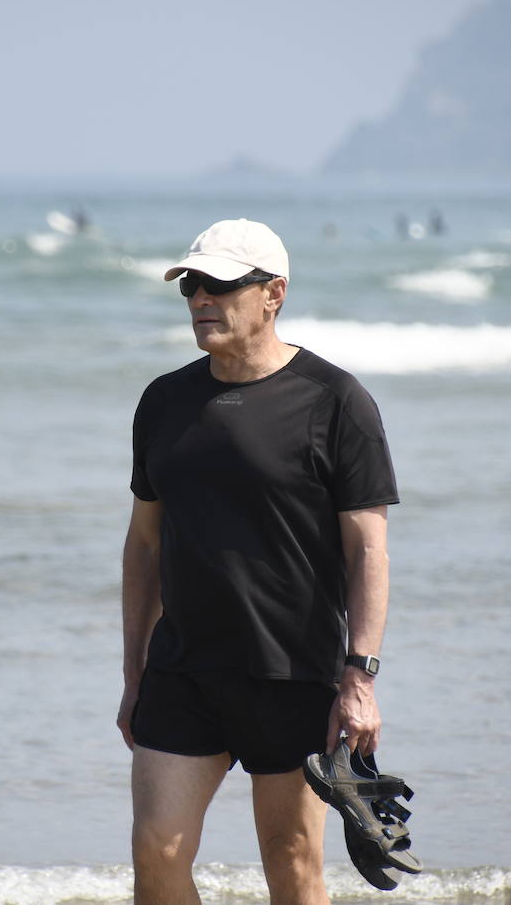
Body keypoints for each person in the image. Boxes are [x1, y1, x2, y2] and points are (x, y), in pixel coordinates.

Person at [117, 218, 400, 904]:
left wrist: (359, 678)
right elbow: (144, 544)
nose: (200, 300)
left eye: (219, 284)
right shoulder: (164, 402)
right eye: (191, 285)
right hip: (183, 670)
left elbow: (368, 549)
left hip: (293, 675)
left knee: (293, 863)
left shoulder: (335, 402)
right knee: (156, 851)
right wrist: (135, 675)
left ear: (274, 292)